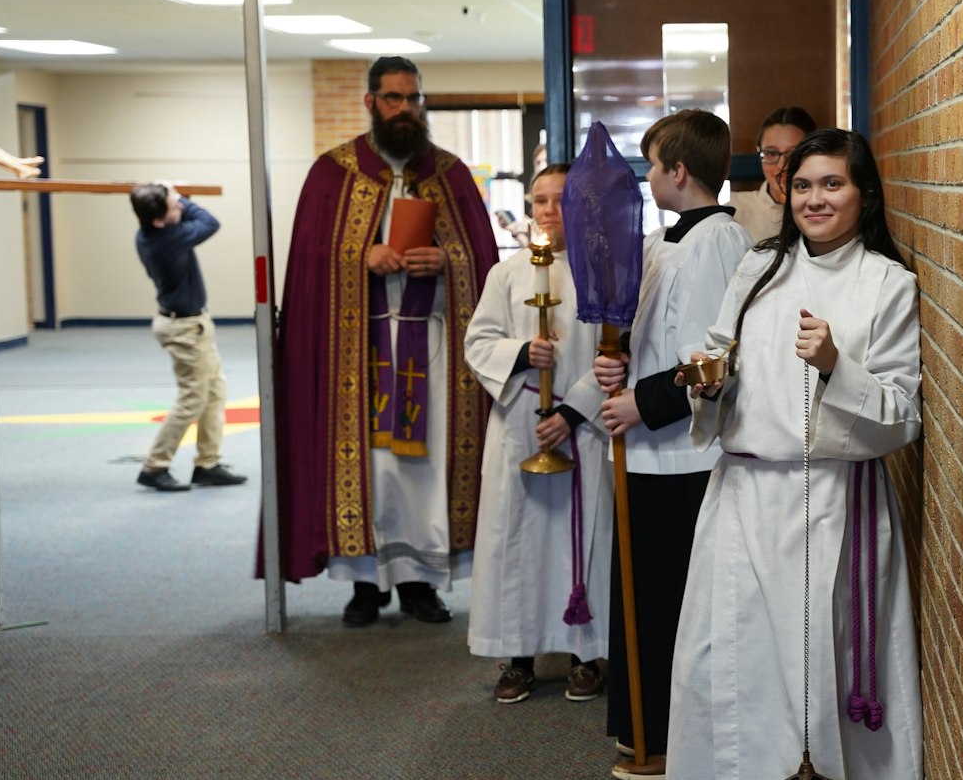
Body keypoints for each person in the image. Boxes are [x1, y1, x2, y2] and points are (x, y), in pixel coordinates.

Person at [618, 129, 923, 780]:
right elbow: (717, 354)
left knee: (796, 680)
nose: (816, 198)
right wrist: (704, 377)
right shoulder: (758, 266)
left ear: (863, 196)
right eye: (806, 185)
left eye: (834, 186)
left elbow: (899, 415)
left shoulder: (886, 284)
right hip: (738, 492)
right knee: (708, 670)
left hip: (821, 505)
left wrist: (834, 366)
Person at [268, 56, 500, 627]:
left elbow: (482, 258)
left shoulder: (450, 173)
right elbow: (308, 266)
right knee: (374, 466)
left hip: (434, 345)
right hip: (359, 353)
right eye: (393, 98)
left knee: (424, 467)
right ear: (370, 102)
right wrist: (359, 257)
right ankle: (365, 583)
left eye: (413, 98)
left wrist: (447, 259)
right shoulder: (333, 173)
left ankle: (421, 580)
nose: (405, 109)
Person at [593, 109, 751, 780]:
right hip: (644, 449)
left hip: (683, 451)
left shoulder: (721, 242)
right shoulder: (664, 243)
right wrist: (614, 364)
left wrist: (645, 400)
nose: (649, 175)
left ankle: (672, 739)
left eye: (654, 164)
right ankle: (643, 727)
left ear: (679, 172)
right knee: (643, 594)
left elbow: (718, 355)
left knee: (671, 601)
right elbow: (651, 333)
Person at [464, 164, 611, 703]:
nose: (549, 211)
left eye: (561, 200)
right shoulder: (507, 275)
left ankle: (584, 654)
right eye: (540, 201)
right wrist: (523, 353)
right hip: (520, 421)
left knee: (580, 539)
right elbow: (478, 343)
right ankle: (517, 655)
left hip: (578, 427)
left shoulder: (603, 272)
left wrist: (573, 412)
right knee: (516, 542)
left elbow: (613, 354)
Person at [130, 182, 246, 493]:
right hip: (183, 330)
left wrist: (171, 195)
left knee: (214, 392)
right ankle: (155, 466)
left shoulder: (152, 232)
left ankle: (207, 464)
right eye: (174, 206)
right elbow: (210, 222)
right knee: (192, 398)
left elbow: (183, 218)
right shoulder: (168, 241)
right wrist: (178, 195)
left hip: (192, 324)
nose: (180, 207)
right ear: (158, 220)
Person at [727, 106, 817, 244]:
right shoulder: (736, 211)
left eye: (793, 154)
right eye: (771, 153)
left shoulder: (824, 209)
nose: (782, 165)